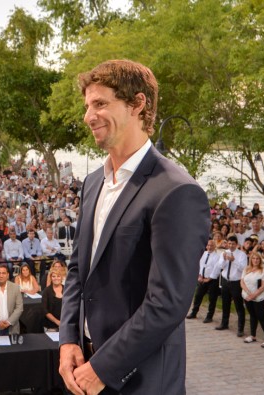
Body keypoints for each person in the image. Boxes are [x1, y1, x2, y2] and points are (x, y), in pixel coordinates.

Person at [58, 60, 210, 395]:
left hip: (142, 380)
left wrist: (103, 368)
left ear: (138, 104)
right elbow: (76, 270)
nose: (88, 116)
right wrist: (68, 338)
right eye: (87, 106)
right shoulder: (93, 183)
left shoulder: (177, 191)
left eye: (100, 104)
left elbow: (168, 302)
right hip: (84, 367)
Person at [187, 239, 224, 323]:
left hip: (212, 280)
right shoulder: (203, 254)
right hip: (202, 278)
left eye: (211, 245)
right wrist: (199, 275)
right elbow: (200, 265)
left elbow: (216, 269)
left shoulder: (217, 257)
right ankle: (194, 312)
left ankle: (209, 316)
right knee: (198, 296)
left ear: (215, 246)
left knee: (212, 298)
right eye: (208, 245)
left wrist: (209, 278)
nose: (209, 247)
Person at [241, 252, 264, 348]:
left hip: (259, 298)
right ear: (251, 259)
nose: (255, 260)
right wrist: (247, 292)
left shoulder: (263, 271)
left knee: (261, 317)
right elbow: (242, 282)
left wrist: (254, 295)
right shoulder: (246, 269)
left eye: (257, 259)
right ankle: (253, 335)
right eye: (253, 258)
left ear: (260, 260)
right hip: (247, 296)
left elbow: (263, 285)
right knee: (252, 315)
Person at [218, 236, 248, 336]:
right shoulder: (224, 252)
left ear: (237, 244)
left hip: (236, 282)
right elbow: (220, 267)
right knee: (225, 303)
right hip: (225, 280)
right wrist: (223, 259)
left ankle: (240, 328)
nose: (231, 246)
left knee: (238, 305)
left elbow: (243, 268)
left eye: (233, 244)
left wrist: (233, 260)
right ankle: (224, 323)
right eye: (229, 244)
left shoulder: (242, 255)